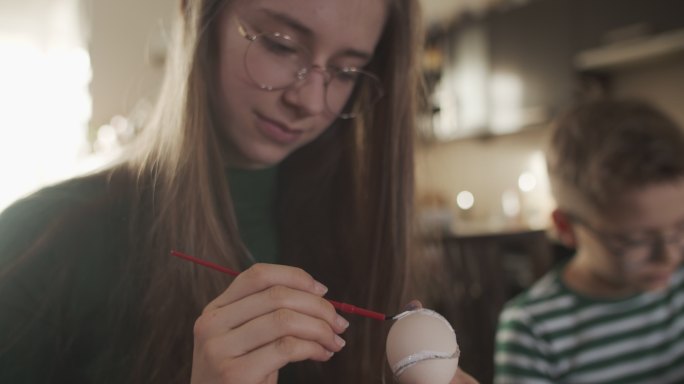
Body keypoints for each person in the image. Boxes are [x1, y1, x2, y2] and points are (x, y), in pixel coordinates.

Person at [0, 0, 476, 383]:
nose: (309, 101)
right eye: (280, 44)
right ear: (196, 13)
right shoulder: (38, 240)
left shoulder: (360, 233)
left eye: (347, 71)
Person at [494, 99, 684, 383]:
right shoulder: (532, 328)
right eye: (634, 240)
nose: (669, 255)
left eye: (681, 227)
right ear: (566, 227)